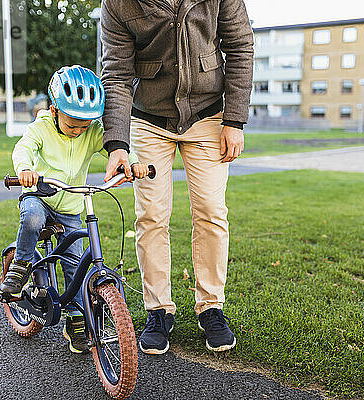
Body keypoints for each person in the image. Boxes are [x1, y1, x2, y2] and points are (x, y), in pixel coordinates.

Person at [100, 0, 254, 354]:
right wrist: (117, 144)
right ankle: (158, 310)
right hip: (149, 118)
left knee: (212, 212)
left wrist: (234, 120)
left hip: (208, 115)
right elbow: (117, 74)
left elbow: (240, 47)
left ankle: (211, 306)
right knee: (151, 215)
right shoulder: (118, 4)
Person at [0, 65, 149, 353]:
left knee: (75, 263)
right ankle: (20, 266)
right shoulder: (40, 128)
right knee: (31, 219)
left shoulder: (90, 132)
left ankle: (77, 321)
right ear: (54, 110)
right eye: (72, 125)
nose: (79, 131)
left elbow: (115, 147)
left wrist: (133, 163)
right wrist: (26, 169)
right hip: (39, 195)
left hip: (70, 205)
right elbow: (23, 149)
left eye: (84, 125)